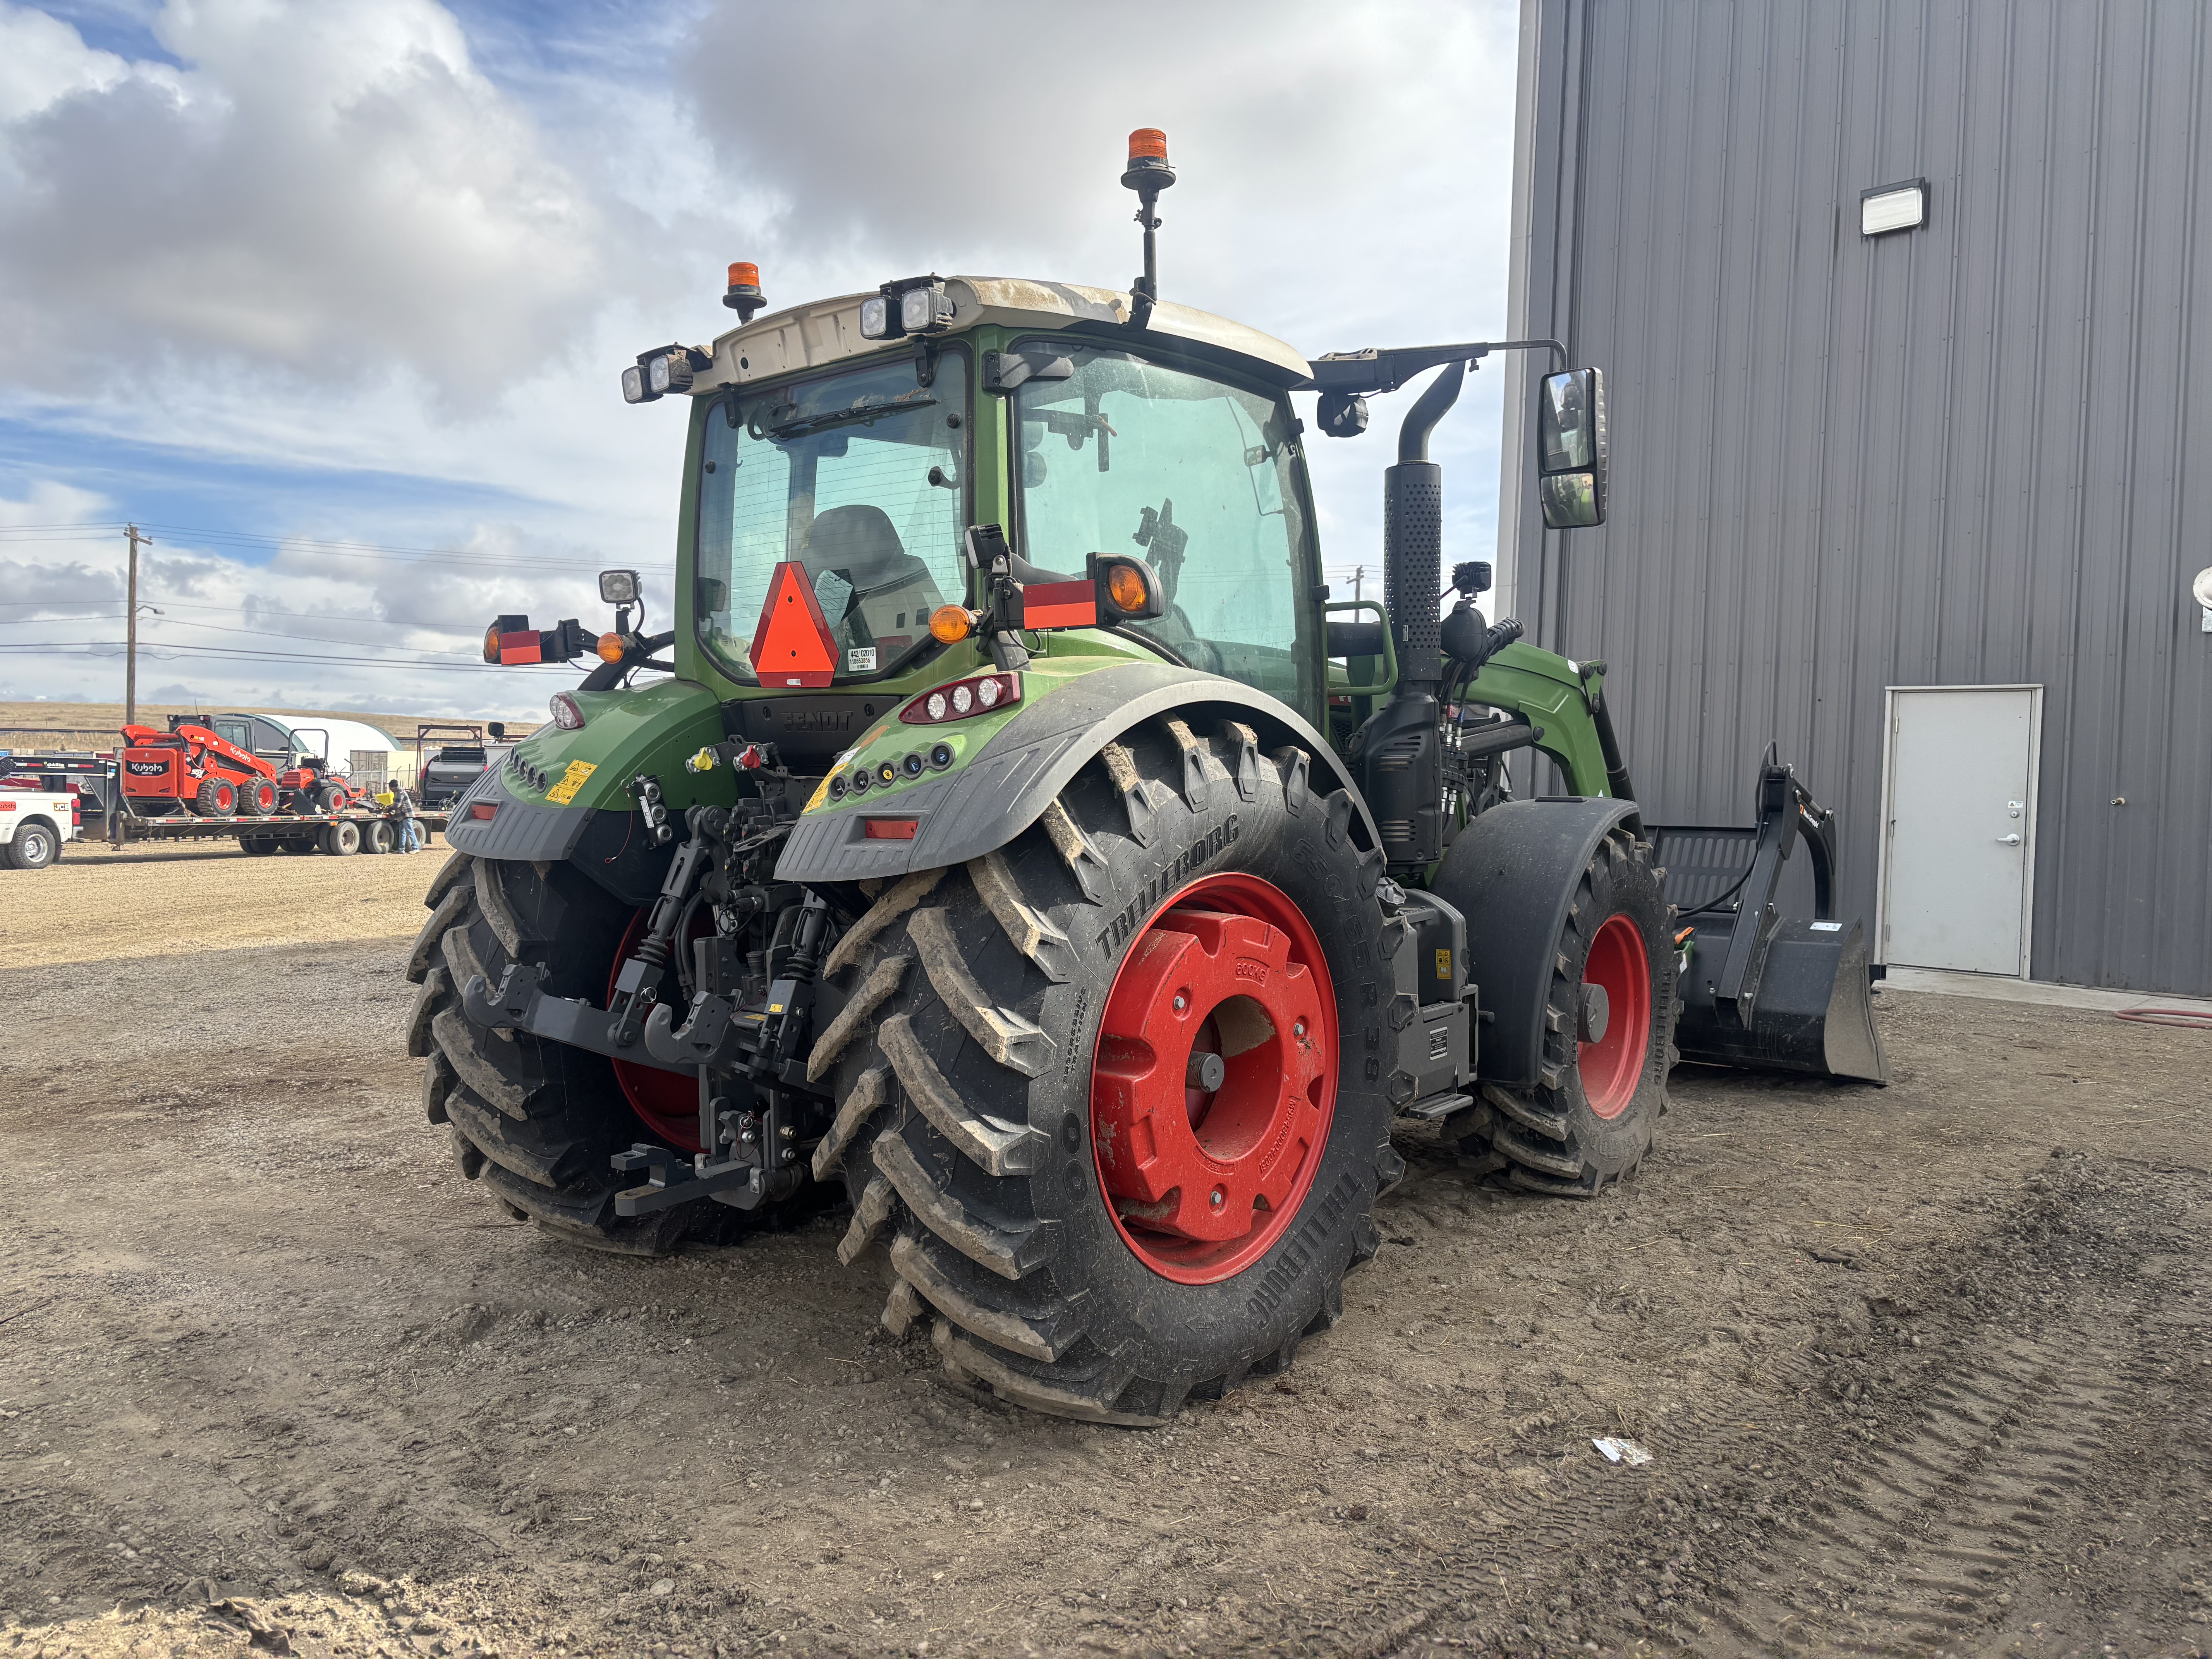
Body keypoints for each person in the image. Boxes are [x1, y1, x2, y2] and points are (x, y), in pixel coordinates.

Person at [394, 785, 419, 854]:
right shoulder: (398, 793)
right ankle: (401, 849)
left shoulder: (401, 793)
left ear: (394, 787)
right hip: (403, 815)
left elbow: (397, 805)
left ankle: (416, 848)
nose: (390, 790)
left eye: (391, 788)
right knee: (402, 832)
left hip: (407, 814)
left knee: (409, 831)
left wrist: (388, 808)